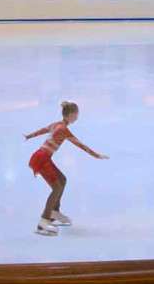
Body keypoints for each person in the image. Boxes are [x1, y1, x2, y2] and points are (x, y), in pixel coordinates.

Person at [23, 101, 108, 236]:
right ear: (70, 115)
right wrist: (96, 155)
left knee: (62, 180)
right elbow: (80, 145)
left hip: (42, 157)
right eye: (76, 114)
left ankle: (54, 212)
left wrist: (29, 136)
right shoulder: (63, 129)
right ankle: (43, 222)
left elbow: (43, 130)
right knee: (57, 187)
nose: (77, 117)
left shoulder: (57, 124)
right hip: (41, 158)